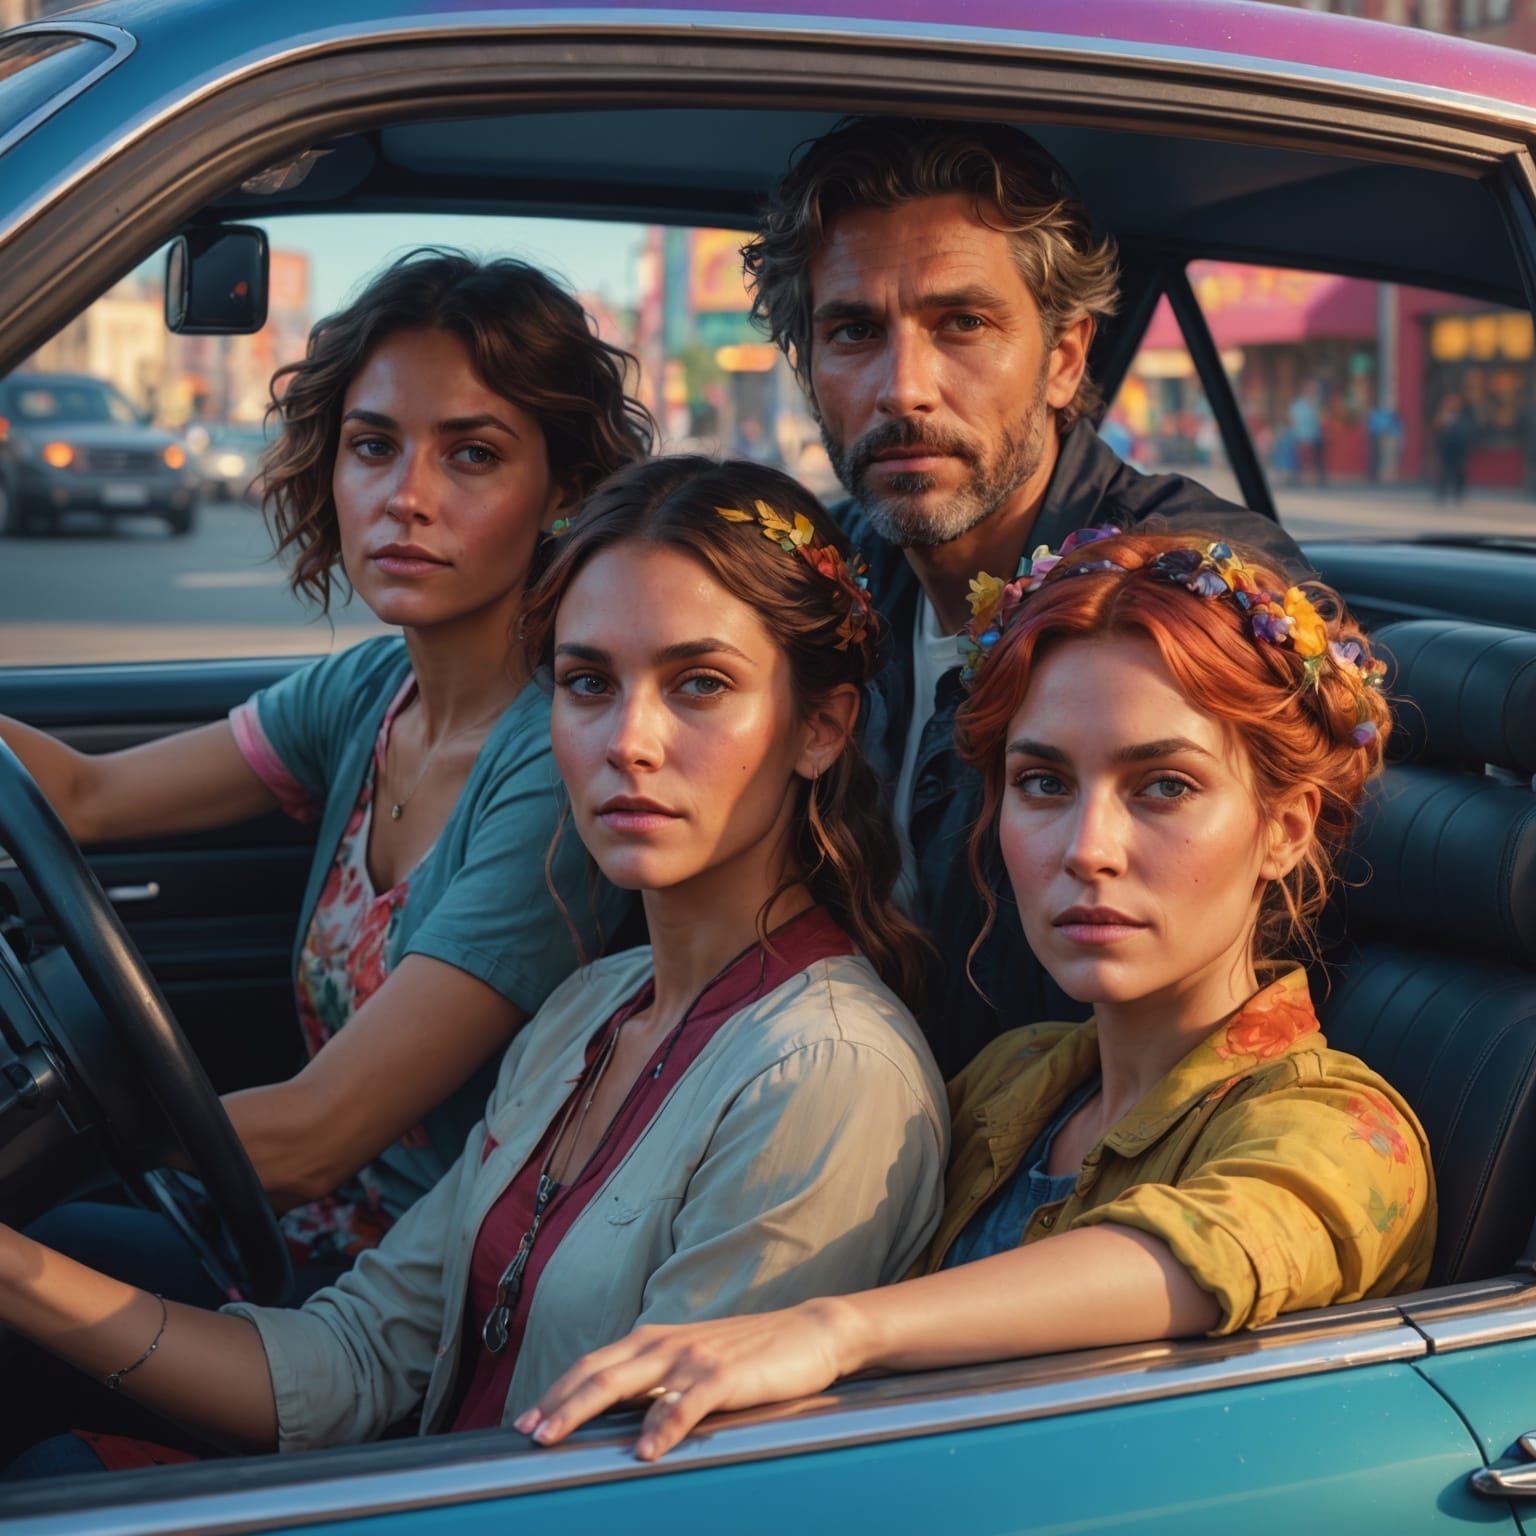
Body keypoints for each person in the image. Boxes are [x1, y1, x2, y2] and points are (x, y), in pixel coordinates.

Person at [0, 456, 947, 1478]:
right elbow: (351, 1362)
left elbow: (647, 1494)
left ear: (822, 727)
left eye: (699, 685)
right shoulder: (593, 1008)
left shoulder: (824, 1080)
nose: (628, 740)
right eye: (588, 682)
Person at [519, 528, 1436, 1462]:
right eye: (1042, 783)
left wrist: (838, 1330)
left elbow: (1193, 1254)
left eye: (1163, 786)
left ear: (1284, 828)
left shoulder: (1345, 1128)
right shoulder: (1014, 1079)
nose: (1088, 847)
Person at [0, 249, 651, 1325]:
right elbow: (82, 796)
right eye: (373, 447)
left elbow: (311, 1139)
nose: (406, 497)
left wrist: (63, 1142)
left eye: (473, 455)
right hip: (274, 1235)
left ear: (564, 493)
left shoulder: (560, 765)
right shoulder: (374, 690)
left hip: (407, 1307)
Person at [740, 115, 1310, 1075]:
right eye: (852, 331)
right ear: (807, 368)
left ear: (1065, 357)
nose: (904, 388)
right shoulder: (821, 578)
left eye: (962, 323)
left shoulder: (1185, 588)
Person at [1433, 393, 1475, 502]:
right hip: (1445, 448)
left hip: (1458, 448)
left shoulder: (1463, 417)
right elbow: (1436, 431)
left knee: (1459, 472)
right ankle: (1441, 493)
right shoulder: (1443, 416)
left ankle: (1458, 494)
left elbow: (1467, 431)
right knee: (1443, 471)